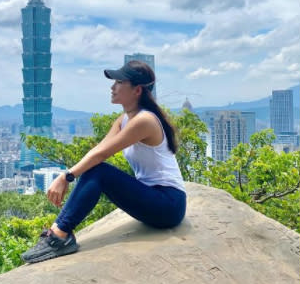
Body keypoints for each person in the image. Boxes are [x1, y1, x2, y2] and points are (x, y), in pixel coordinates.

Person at [21, 60, 186, 264]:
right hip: (153, 197)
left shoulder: (145, 121)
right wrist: (69, 174)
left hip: (168, 204)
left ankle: (59, 236)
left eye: (119, 82)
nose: (112, 87)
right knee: (96, 170)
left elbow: (101, 157)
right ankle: (59, 234)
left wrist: (66, 177)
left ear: (137, 90)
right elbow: (98, 150)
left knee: (99, 172)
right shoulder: (124, 119)